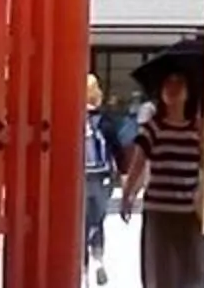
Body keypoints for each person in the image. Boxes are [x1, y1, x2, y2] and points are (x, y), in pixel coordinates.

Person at [117, 53, 204, 288]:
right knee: (161, 272)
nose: (173, 88)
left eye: (179, 83)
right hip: (159, 210)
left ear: (190, 91)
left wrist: (203, 135)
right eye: (168, 84)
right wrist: (128, 194)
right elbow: (138, 163)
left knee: (193, 272)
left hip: (190, 212)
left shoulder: (197, 130)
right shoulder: (153, 128)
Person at [82, 74, 119, 285]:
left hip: (81, 177)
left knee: (82, 223)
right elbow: (117, 147)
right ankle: (98, 259)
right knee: (98, 221)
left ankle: (84, 270)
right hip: (102, 177)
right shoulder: (104, 120)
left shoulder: (72, 118)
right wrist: (123, 173)